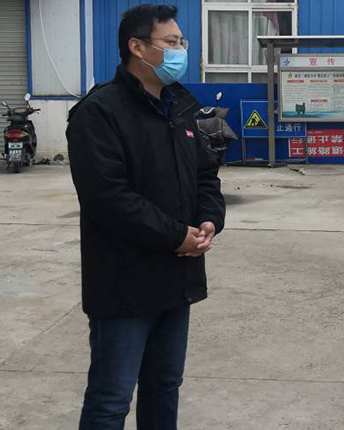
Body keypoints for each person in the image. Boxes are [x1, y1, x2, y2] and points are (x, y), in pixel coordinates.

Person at [66, 4, 225, 429]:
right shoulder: (99, 112)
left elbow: (205, 175)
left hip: (176, 281)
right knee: (111, 400)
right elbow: (107, 197)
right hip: (123, 285)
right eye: (171, 42)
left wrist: (209, 220)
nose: (181, 50)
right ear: (137, 47)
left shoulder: (180, 107)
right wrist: (175, 236)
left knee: (164, 387)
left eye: (182, 42)